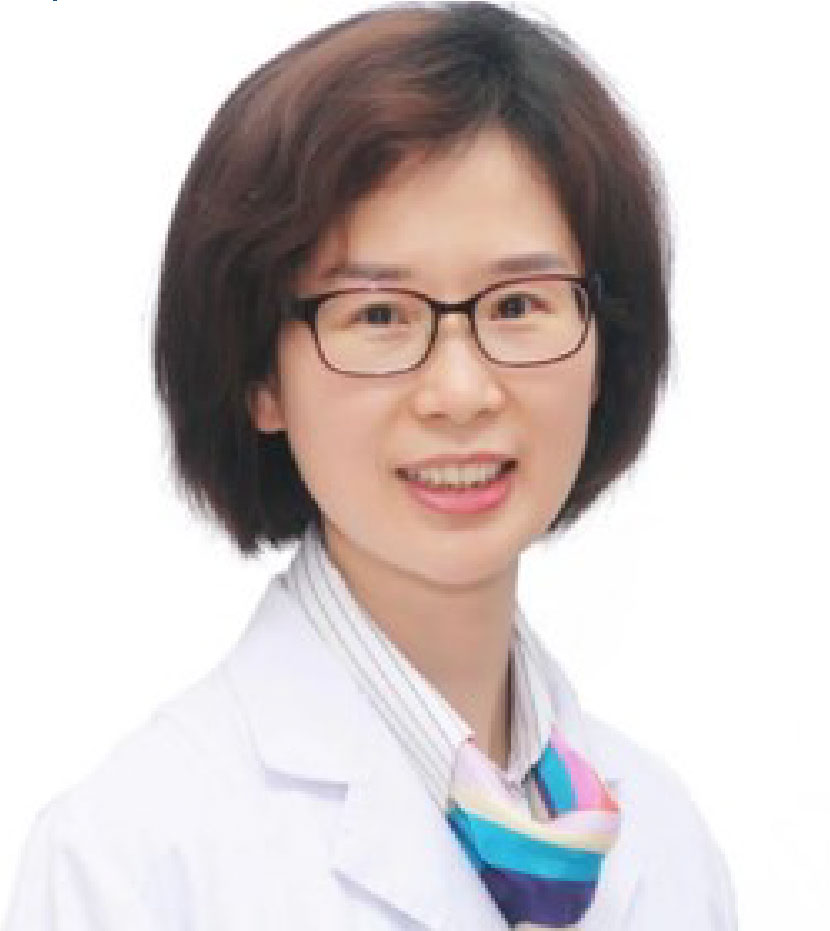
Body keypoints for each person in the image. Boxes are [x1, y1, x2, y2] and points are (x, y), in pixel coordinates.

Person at [3, 2, 738, 928]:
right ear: (260, 378)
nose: (461, 391)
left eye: (518, 304)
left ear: (605, 348)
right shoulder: (132, 857)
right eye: (379, 315)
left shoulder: (664, 842)